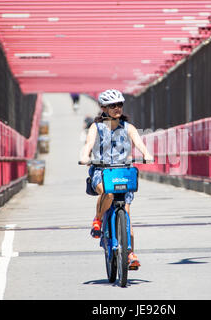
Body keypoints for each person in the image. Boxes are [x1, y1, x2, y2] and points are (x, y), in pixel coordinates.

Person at [80, 89, 154, 270]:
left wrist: (147, 154)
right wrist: (84, 156)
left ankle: (129, 254)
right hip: (101, 171)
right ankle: (98, 219)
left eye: (120, 104)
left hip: (123, 172)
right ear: (103, 108)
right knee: (108, 193)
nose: (117, 108)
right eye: (112, 105)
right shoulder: (96, 128)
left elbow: (139, 142)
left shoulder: (128, 127)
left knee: (126, 214)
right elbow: (88, 145)